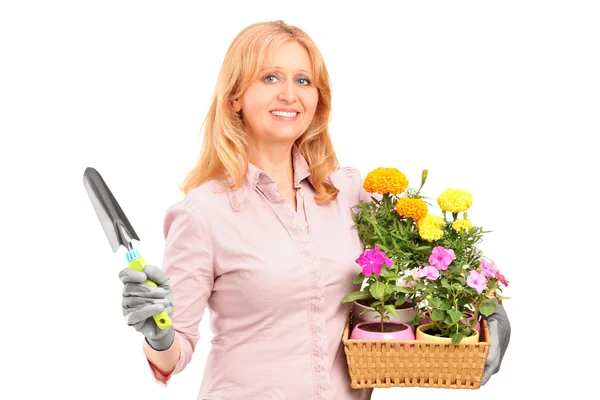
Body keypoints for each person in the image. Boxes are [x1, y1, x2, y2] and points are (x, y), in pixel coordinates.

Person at [118, 20, 510, 400]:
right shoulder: (202, 214)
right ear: (235, 97)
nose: (289, 94)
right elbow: (176, 353)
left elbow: (434, 256)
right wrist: (160, 335)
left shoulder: (348, 192)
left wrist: (488, 308)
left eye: (303, 80)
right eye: (270, 77)